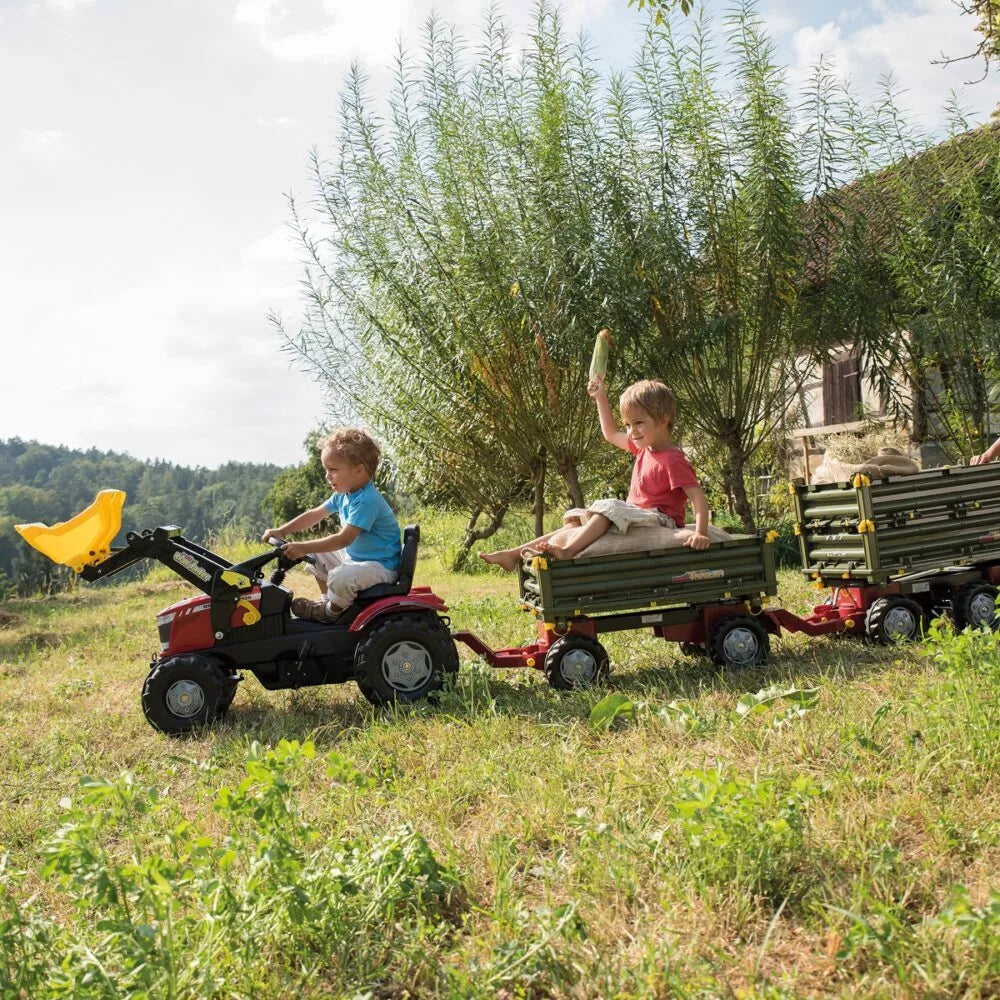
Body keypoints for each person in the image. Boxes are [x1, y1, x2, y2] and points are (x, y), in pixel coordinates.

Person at [479, 377, 710, 572]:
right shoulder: (643, 448)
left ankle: (568, 552)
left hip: (659, 519)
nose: (631, 431)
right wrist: (601, 397)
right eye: (628, 425)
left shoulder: (672, 459)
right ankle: (514, 554)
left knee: (608, 507)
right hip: (636, 515)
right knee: (576, 522)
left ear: (662, 420)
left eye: (638, 423)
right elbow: (610, 433)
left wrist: (700, 533)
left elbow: (698, 498)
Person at [261, 428, 402, 623]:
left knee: (341, 576)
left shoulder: (366, 501)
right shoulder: (345, 495)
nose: (327, 476)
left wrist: (302, 547)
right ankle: (327, 602)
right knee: (316, 555)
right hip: (359, 560)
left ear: (359, 470)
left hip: (381, 567)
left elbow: (343, 539)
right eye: (326, 469)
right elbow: (314, 515)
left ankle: (331, 613)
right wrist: (282, 530)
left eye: (333, 470)